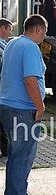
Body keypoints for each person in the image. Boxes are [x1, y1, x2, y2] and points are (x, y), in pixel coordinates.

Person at [0, 14, 47, 195]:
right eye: (44, 32)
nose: (44, 36)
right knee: (22, 158)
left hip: (8, 106)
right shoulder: (30, 47)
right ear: (38, 29)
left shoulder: (12, 44)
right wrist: (41, 106)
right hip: (22, 109)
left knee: (15, 156)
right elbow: (30, 80)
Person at [0, 18, 12, 158]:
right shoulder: (2, 47)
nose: (10, 32)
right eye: (9, 29)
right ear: (3, 28)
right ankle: (5, 149)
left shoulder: (5, 45)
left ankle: (5, 149)